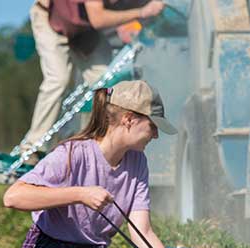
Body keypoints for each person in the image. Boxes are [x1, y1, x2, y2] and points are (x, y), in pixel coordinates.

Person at [2, 80, 213, 248]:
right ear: (128, 119)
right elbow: (13, 197)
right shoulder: (73, 153)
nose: (156, 136)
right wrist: (79, 193)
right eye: (153, 126)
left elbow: (143, 233)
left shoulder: (137, 162)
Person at [21, 0, 165, 163]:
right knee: (58, 80)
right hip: (51, 19)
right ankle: (32, 149)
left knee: (108, 81)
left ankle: (97, 146)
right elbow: (98, 18)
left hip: (84, 27)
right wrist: (141, 12)